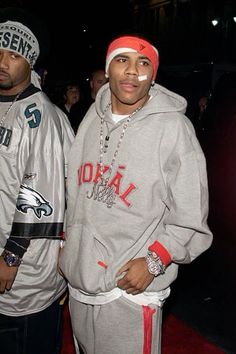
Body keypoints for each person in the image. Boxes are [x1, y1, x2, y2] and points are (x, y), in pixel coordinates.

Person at [59, 34, 213, 354]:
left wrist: (155, 261)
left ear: (152, 75)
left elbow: (191, 216)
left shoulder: (173, 129)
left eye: (143, 63)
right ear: (107, 69)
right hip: (80, 285)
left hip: (128, 291)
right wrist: (68, 249)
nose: (132, 71)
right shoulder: (91, 119)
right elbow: (74, 194)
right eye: (122, 60)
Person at [0, 7, 74, 354]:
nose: (3, 61)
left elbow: (40, 195)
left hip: (25, 273)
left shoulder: (39, 116)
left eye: (14, 55)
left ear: (29, 62)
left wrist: (10, 257)